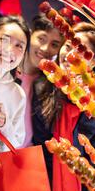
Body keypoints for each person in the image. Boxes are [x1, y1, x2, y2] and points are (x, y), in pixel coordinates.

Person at [32, 22, 95, 191]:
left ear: (94, 61)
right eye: (68, 47)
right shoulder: (42, 89)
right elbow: (41, 142)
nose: (70, 55)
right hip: (57, 183)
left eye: (81, 51)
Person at [19, 13, 64, 147]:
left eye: (54, 45)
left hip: (33, 159)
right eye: (41, 39)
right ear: (29, 35)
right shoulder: (4, 72)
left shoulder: (52, 88)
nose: (45, 49)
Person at [0, 16, 30, 152]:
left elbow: (17, 142)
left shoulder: (17, 93)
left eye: (19, 46)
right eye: (4, 40)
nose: (10, 49)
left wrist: (5, 124)